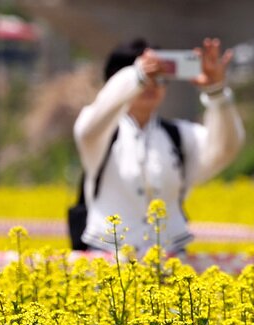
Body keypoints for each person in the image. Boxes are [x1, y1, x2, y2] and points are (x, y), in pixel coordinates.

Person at [73, 38, 244, 254]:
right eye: (149, 76)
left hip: (170, 261)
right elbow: (86, 129)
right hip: (107, 260)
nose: (152, 84)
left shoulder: (179, 136)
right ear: (115, 82)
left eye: (160, 77)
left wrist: (217, 93)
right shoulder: (101, 134)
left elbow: (224, 149)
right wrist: (136, 77)